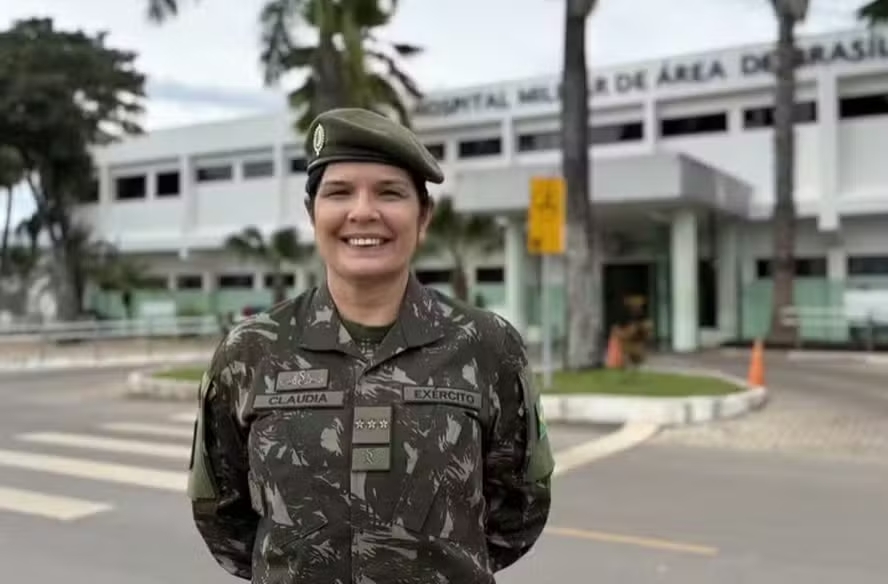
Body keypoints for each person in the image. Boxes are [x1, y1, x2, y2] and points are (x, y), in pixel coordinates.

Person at [186, 107, 555, 583]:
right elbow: (222, 513)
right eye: (339, 192)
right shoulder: (251, 350)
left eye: (390, 192)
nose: (363, 212)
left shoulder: (486, 345)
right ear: (312, 213)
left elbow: (519, 509)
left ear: (423, 216)